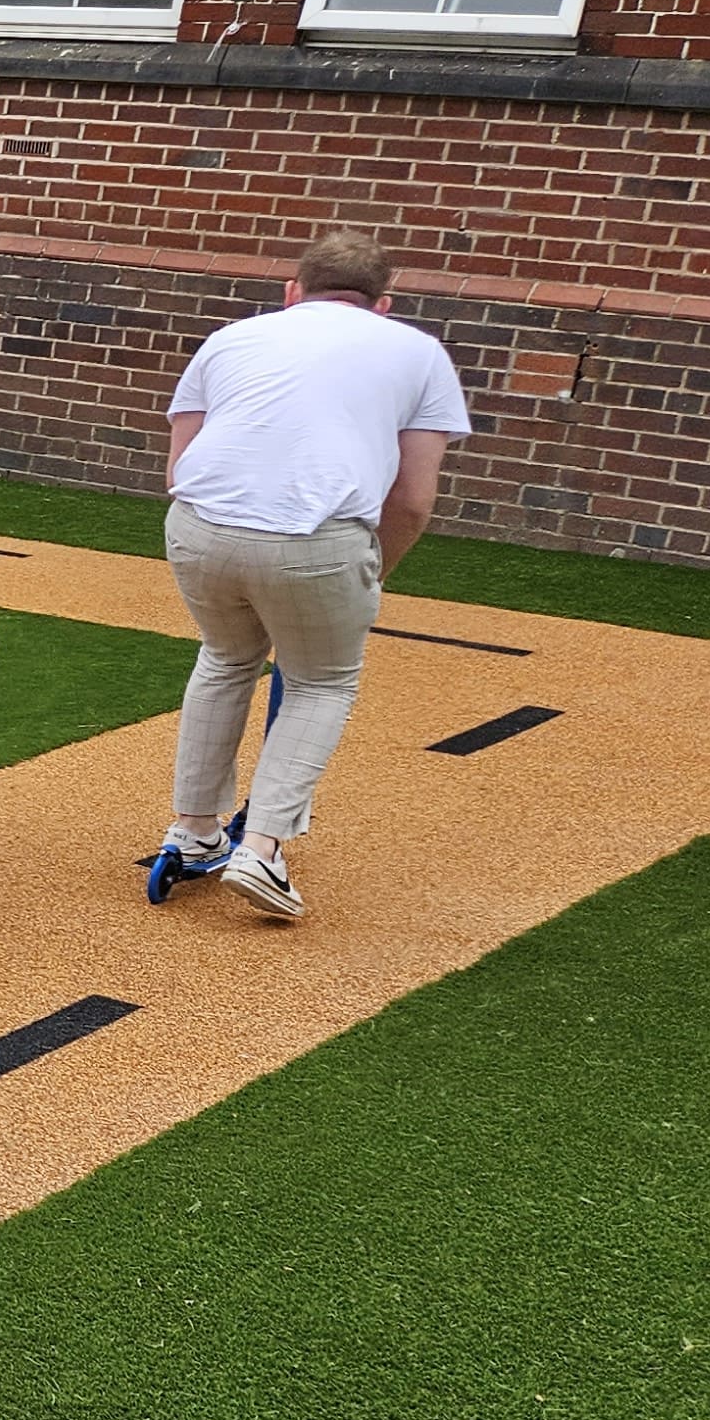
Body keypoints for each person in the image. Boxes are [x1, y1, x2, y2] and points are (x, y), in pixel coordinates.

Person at [156, 227, 472, 923]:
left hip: (199, 527)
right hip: (316, 537)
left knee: (226, 656)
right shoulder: (419, 353)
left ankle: (194, 827)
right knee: (322, 679)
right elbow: (414, 499)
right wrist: (371, 573)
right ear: (382, 304)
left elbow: (180, 468)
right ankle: (261, 847)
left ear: (292, 291)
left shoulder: (231, 339)